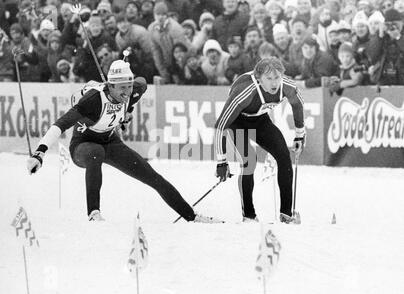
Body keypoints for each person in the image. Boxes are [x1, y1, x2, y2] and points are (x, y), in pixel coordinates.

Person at [26, 59, 222, 224]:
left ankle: (191, 216)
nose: (127, 92)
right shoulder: (93, 101)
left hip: (110, 142)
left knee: (152, 176)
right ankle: (94, 213)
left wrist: (128, 110)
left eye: (129, 87)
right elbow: (60, 125)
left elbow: (142, 82)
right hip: (83, 146)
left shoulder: (132, 91)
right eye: (121, 88)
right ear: (110, 86)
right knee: (96, 153)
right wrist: (39, 154)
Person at [214, 57, 306, 224]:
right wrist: (221, 162)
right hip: (237, 122)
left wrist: (300, 134)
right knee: (249, 161)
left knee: (284, 156)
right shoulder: (245, 91)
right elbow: (220, 126)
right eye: (269, 78)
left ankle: (286, 214)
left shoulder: (288, 87)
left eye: (277, 77)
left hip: (260, 120)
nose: (274, 83)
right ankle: (248, 215)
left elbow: (298, 105)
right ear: (258, 78)